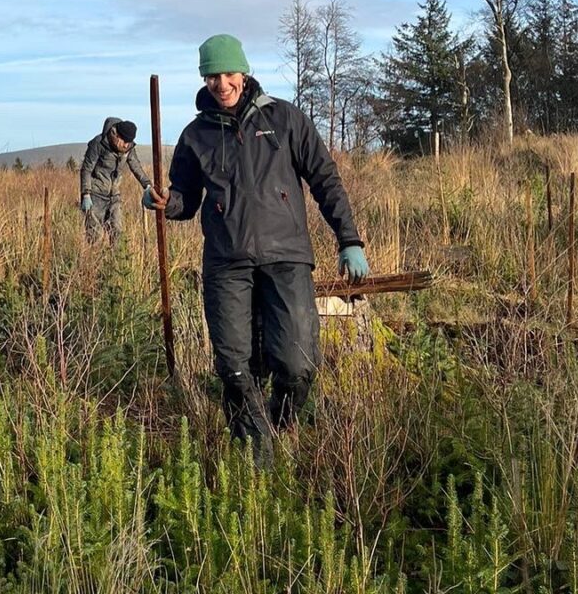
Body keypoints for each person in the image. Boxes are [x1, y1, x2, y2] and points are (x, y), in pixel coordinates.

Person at [143, 33, 369, 464]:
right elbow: (186, 201)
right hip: (226, 264)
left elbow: (325, 179)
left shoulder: (284, 119)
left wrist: (349, 240)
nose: (220, 84)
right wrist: (165, 203)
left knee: (298, 363)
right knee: (234, 367)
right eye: (211, 76)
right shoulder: (196, 136)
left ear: (243, 72)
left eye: (227, 74)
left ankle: (278, 425)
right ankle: (256, 462)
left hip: (287, 258)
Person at [80, 118, 151, 244]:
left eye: (129, 142)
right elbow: (86, 169)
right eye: (124, 141)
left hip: (114, 196)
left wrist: (147, 185)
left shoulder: (128, 148)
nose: (126, 145)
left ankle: (116, 261)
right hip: (95, 195)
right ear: (116, 135)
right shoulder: (99, 143)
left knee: (117, 233)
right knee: (95, 235)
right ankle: (93, 262)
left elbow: (136, 166)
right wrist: (85, 194)